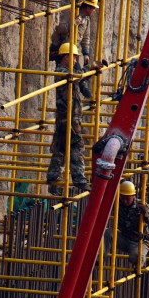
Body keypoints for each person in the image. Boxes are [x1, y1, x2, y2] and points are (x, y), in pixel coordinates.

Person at [47, 43, 93, 196]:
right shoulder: (63, 72)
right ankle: (79, 178)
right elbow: (77, 76)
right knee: (77, 146)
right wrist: (90, 67)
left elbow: (79, 76)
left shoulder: (65, 71)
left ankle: (53, 177)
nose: (75, 61)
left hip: (66, 118)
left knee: (60, 147)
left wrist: (90, 70)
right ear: (65, 57)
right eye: (73, 57)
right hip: (69, 119)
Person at [103, 180, 149, 271]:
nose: (125, 201)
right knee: (108, 232)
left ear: (133, 196)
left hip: (140, 241)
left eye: (128, 199)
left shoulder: (141, 205)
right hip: (124, 238)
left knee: (135, 257)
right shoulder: (118, 203)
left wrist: (145, 211)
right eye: (123, 198)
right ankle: (101, 258)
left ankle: (141, 260)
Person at [50, 0, 99, 67]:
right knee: (71, 75)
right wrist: (73, 24)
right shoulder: (71, 13)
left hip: (74, 51)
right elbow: (59, 28)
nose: (94, 11)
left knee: (75, 75)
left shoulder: (86, 20)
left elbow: (86, 37)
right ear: (88, 8)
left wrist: (86, 54)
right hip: (64, 51)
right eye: (93, 8)